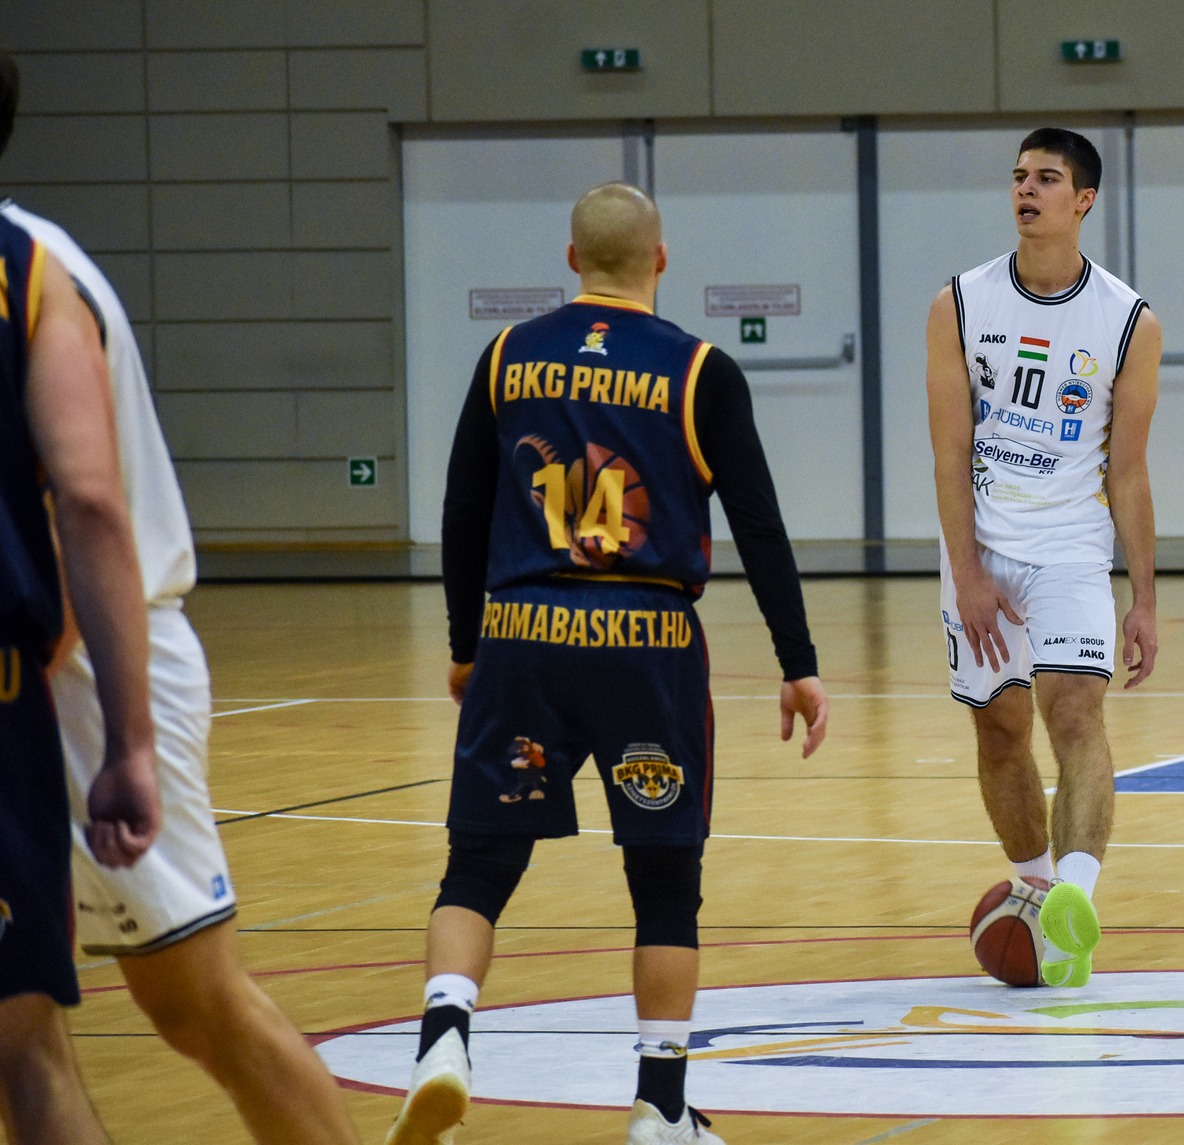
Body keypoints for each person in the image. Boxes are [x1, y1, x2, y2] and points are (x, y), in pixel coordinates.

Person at [388, 182, 828, 1145]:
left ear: (571, 258)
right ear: (661, 259)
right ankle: (659, 1107)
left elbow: (462, 512)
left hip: (524, 633)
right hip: (647, 644)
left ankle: (444, 1039)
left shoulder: (507, 356)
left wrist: (466, 644)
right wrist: (797, 661)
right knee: (665, 880)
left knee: (478, 865)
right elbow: (759, 525)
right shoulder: (700, 369)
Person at [1, 103, 363, 1145]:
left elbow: (79, 504)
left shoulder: (40, 271)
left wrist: (116, 730)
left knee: (196, 1000)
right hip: (57, 662)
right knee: (20, 1026)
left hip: (84, 660)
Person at [924, 128, 1162, 988]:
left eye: (1047, 178)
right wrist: (968, 573)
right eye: (1020, 176)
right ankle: (1033, 889)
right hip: (983, 542)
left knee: (1075, 715)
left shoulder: (1129, 322)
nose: (1027, 189)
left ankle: (1073, 904)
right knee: (1000, 727)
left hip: (1070, 544)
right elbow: (950, 453)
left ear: (1083, 200)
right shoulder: (959, 303)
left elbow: (1127, 472)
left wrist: (1144, 599)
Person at [0, 55, 162, 1145]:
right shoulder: (29, 273)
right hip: (3, 698)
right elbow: (93, 502)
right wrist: (129, 740)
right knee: (26, 1053)